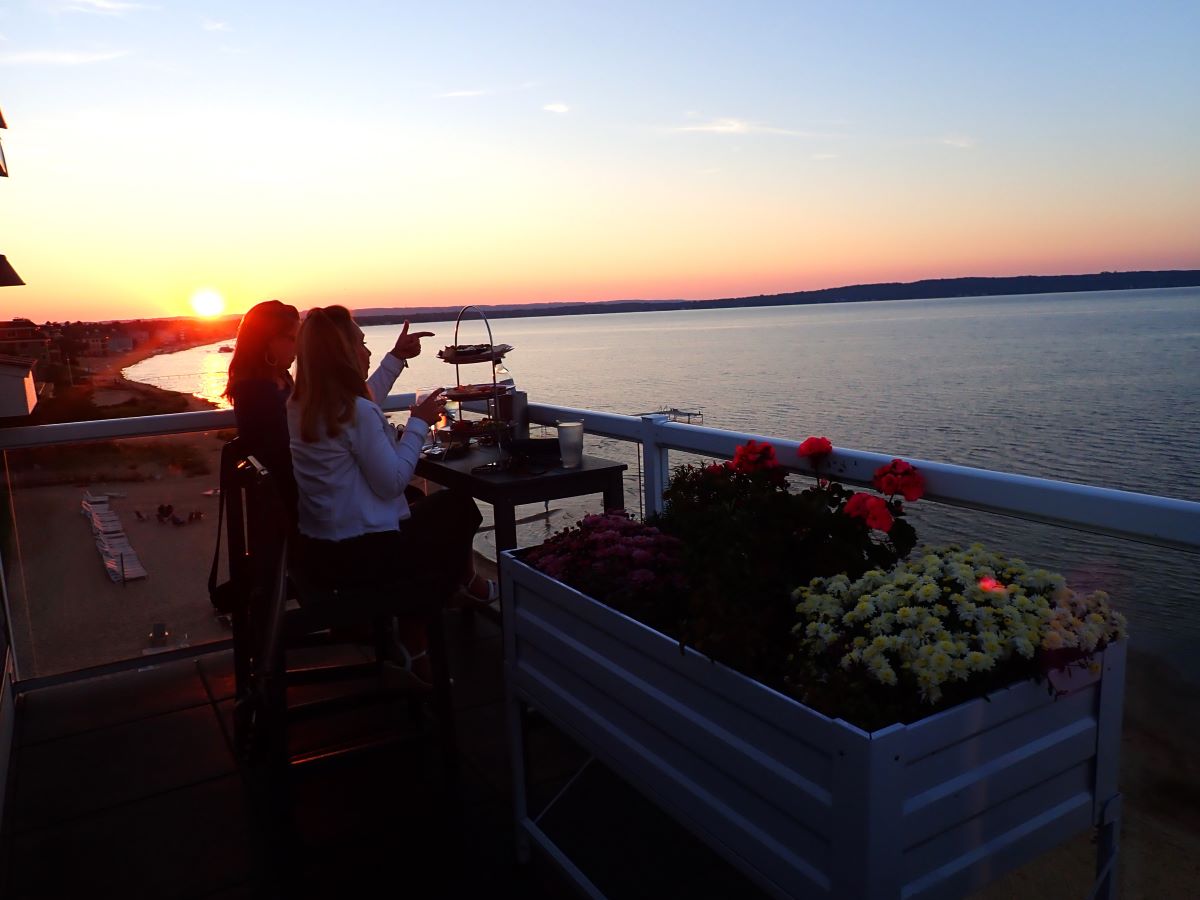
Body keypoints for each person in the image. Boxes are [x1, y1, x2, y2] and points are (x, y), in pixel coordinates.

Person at [287, 306, 495, 682]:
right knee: (459, 507)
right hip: (367, 557)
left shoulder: (303, 405)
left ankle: (437, 617)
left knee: (431, 511)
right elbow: (394, 481)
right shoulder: (355, 412)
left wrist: (397, 359)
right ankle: (427, 630)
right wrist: (418, 423)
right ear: (345, 353)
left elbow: (363, 402)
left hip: (322, 552)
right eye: (362, 344)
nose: (368, 352)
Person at [222, 300, 302, 513]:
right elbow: (281, 454)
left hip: (298, 492)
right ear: (267, 339)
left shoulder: (282, 378)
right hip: (286, 502)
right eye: (292, 339)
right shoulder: (254, 391)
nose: (298, 346)